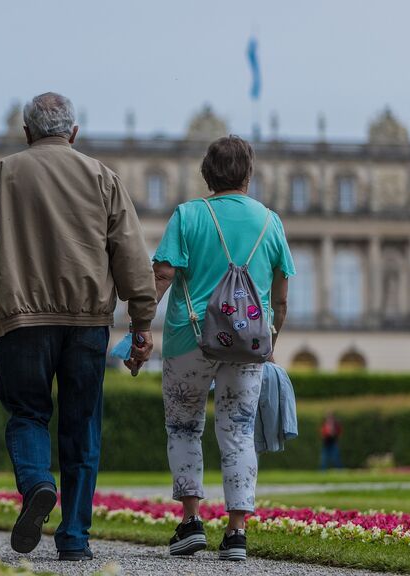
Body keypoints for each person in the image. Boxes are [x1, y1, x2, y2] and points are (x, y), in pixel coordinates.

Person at [0, 92, 157, 561]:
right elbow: (131, 256)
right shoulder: (101, 176)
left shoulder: (3, 174)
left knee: (27, 413)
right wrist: (142, 322)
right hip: (87, 322)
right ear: (73, 133)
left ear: (27, 132)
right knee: (81, 425)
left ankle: (36, 484)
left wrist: (3, 291)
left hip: (22, 321)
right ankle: (74, 537)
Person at [129, 135, 293, 561]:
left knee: (184, 428)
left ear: (207, 173)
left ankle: (190, 523)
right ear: (249, 174)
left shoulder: (188, 215)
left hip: (190, 338)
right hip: (249, 343)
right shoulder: (270, 221)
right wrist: (269, 342)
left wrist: (140, 327)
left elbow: (161, 276)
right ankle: (236, 534)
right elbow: (281, 297)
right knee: (238, 433)